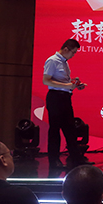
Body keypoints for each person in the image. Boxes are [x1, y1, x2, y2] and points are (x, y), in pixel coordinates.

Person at [43, 38, 87, 167]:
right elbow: (46, 80)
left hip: (65, 98)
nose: (73, 55)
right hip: (55, 98)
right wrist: (67, 86)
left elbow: (64, 82)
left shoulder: (64, 63)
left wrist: (75, 85)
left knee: (70, 129)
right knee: (55, 130)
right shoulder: (52, 60)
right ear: (66, 49)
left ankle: (76, 160)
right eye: (73, 52)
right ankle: (54, 160)